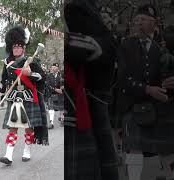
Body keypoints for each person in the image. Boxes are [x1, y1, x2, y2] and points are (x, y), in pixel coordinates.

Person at [117, 4, 174, 180]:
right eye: (136, 21)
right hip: (134, 105)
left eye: (142, 20)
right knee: (134, 150)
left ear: (153, 23)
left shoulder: (161, 48)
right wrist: (147, 89)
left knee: (167, 149)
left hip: (158, 108)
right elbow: (122, 78)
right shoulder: (126, 45)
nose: (138, 24)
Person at [64, 0, 119, 179]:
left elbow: (79, 47)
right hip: (78, 104)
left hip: (91, 103)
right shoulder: (77, 13)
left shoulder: (104, 40)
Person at [0, 26, 48, 165]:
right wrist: (2, 93)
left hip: (28, 96)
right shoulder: (7, 63)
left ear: (24, 48)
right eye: (14, 47)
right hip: (14, 96)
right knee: (12, 126)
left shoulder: (30, 61)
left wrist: (29, 74)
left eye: (19, 47)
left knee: (28, 127)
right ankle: (8, 155)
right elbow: (3, 79)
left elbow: (42, 77)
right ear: (11, 48)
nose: (17, 49)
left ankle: (27, 150)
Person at [46, 63, 64, 129]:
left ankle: (62, 119)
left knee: (62, 108)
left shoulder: (61, 75)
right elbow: (47, 85)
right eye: (52, 67)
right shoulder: (48, 76)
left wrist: (62, 87)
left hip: (61, 94)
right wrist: (56, 89)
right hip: (51, 94)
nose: (53, 68)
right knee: (51, 109)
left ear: (57, 68)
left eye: (55, 67)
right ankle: (51, 123)